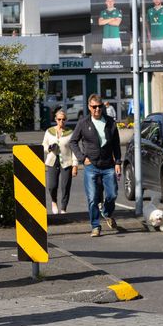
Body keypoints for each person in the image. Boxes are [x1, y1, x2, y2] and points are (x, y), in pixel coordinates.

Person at [69, 93, 122, 237]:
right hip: (91, 165)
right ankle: (95, 226)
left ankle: (106, 212)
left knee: (112, 194)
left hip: (108, 165)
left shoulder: (110, 122)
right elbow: (73, 141)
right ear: (89, 107)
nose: (97, 109)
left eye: (99, 106)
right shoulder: (83, 123)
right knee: (92, 197)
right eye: (94, 107)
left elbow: (116, 144)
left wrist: (118, 162)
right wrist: (81, 158)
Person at [42, 110, 78, 215]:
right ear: (55, 120)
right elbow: (43, 145)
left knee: (65, 186)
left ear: (66, 120)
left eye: (63, 119)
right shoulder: (49, 132)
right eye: (59, 119)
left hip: (67, 162)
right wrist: (49, 148)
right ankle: (54, 201)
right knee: (52, 185)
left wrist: (75, 165)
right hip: (52, 161)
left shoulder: (71, 133)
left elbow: (74, 150)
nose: (61, 121)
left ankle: (63, 208)